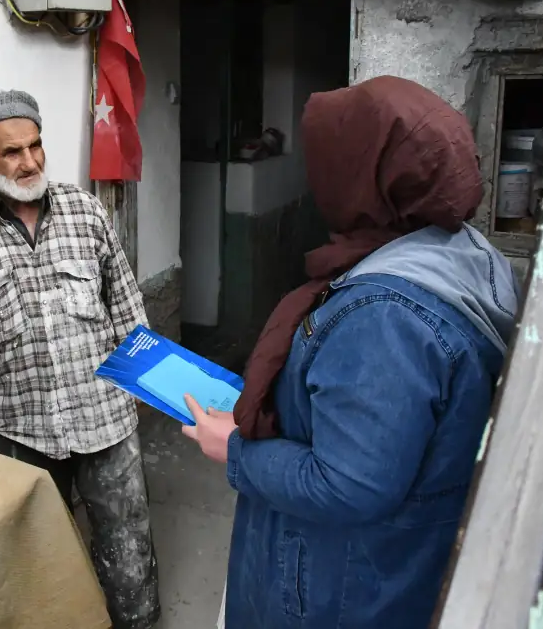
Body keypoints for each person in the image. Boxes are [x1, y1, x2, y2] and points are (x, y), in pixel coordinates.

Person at [182, 76, 520, 628]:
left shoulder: (385, 317)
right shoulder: (460, 252)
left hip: (333, 591)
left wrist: (236, 449)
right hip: (385, 571)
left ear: (363, 171)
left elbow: (350, 484)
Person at [0, 90, 161, 629]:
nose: (30, 161)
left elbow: (128, 309)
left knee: (128, 549)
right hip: (22, 430)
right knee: (38, 555)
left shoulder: (85, 211)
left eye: (35, 146)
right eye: (12, 152)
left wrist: (166, 385)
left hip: (103, 418)